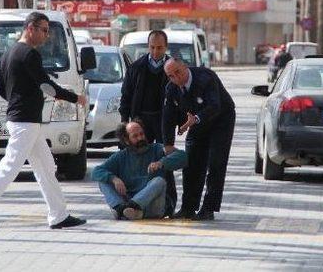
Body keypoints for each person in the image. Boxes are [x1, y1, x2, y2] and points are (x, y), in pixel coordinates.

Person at [0, 12, 88, 232]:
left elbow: (0, 88)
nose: (46, 36)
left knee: (46, 167)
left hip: (26, 121)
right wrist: (75, 98)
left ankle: (59, 215)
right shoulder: (29, 54)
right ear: (31, 28)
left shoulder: (9, 53)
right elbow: (46, 86)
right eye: (44, 30)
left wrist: (18, 100)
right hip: (25, 122)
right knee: (10, 166)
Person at [162, 58, 235, 221]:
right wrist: (168, 144)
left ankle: (209, 208)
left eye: (177, 72)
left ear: (185, 67)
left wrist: (196, 118)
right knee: (192, 162)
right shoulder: (171, 88)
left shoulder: (206, 78)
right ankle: (188, 207)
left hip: (221, 119)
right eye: (170, 76)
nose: (175, 78)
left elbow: (215, 105)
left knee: (216, 162)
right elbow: (168, 116)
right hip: (195, 122)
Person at [92, 120, 187, 220]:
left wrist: (161, 163)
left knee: (159, 181)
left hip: (153, 207)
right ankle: (121, 208)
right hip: (127, 203)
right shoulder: (120, 156)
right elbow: (96, 171)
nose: (140, 138)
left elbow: (182, 156)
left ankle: (127, 210)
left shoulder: (157, 149)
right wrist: (114, 179)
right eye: (135, 136)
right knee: (103, 181)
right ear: (126, 140)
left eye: (141, 134)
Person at [120, 30, 170, 144]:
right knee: (141, 153)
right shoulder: (135, 68)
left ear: (166, 47)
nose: (155, 51)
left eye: (159, 47)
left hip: (163, 119)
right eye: (152, 47)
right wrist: (124, 120)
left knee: (163, 154)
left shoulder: (172, 69)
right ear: (148, 46)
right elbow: (126, 95)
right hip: (140, 118)